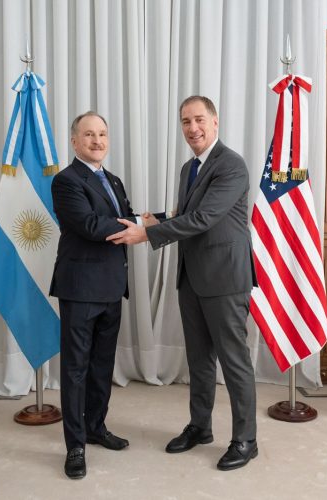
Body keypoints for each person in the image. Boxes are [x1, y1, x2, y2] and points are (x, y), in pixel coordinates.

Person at [107, 96, 258, 471]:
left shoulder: (231, 164)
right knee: (199, 360)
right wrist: (155, 219)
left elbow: (204, 218)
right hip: (191, 276)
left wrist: (147, 235)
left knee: (234, 361)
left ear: (215, 121)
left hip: (225, 277)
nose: (193, 128)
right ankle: (200, 427)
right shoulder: (188, 168)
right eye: (186, 122)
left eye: (199, 120)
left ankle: (246, 440)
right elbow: (185, 214)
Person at [49, 111, 138, 479]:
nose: (97, 141)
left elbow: (128, 217)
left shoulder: (113, 180)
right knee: (76, 369)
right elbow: (89, 225)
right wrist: (137, 226)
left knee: (102, 365)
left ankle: (96, 427)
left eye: (102, 134)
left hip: (112, 286)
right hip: (81, 288)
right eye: (89, 134)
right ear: (75, 141)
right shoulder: (65, 181)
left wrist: (157, 219)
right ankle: (75, 446)